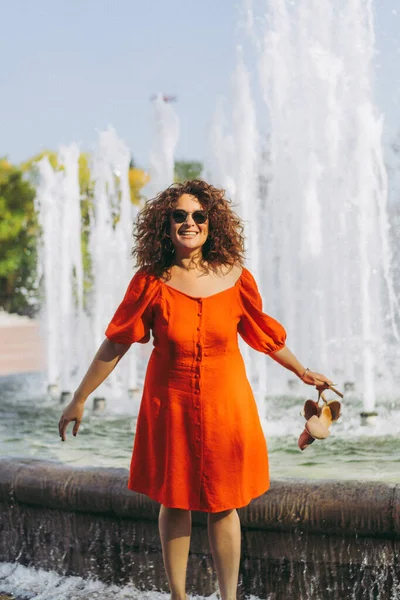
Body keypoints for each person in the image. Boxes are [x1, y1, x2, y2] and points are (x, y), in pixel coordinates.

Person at [58, 179, 333, 600]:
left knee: (224, 503)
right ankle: (178, 596)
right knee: (175, 500)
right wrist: (79, 397)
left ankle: (229, 597)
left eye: (199, 216)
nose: (190, 223)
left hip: (227, 404)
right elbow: (116, 341)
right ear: (164, 224)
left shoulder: (237, 277)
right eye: (180, 215)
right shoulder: (150, 281)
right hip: (170, 403)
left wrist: (303, 372)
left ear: (212, 223)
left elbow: (265, 337)